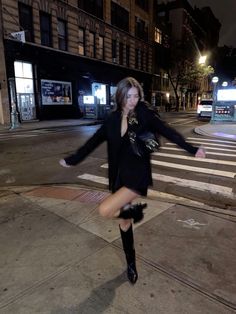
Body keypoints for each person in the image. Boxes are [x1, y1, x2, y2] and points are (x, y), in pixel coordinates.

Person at [59, 77, 206, 285]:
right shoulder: (111, 120)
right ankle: (131, 263)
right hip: (118, 178)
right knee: (124, 221)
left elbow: (168, 132)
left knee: (104, 210)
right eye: (129, 96)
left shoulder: (144, 115)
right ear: (120, 96)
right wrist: (73, 159)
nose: (133, 100)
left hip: (137, 176)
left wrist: (192, 149)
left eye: (136, 96)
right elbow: (92, 143)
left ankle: (136, 212)